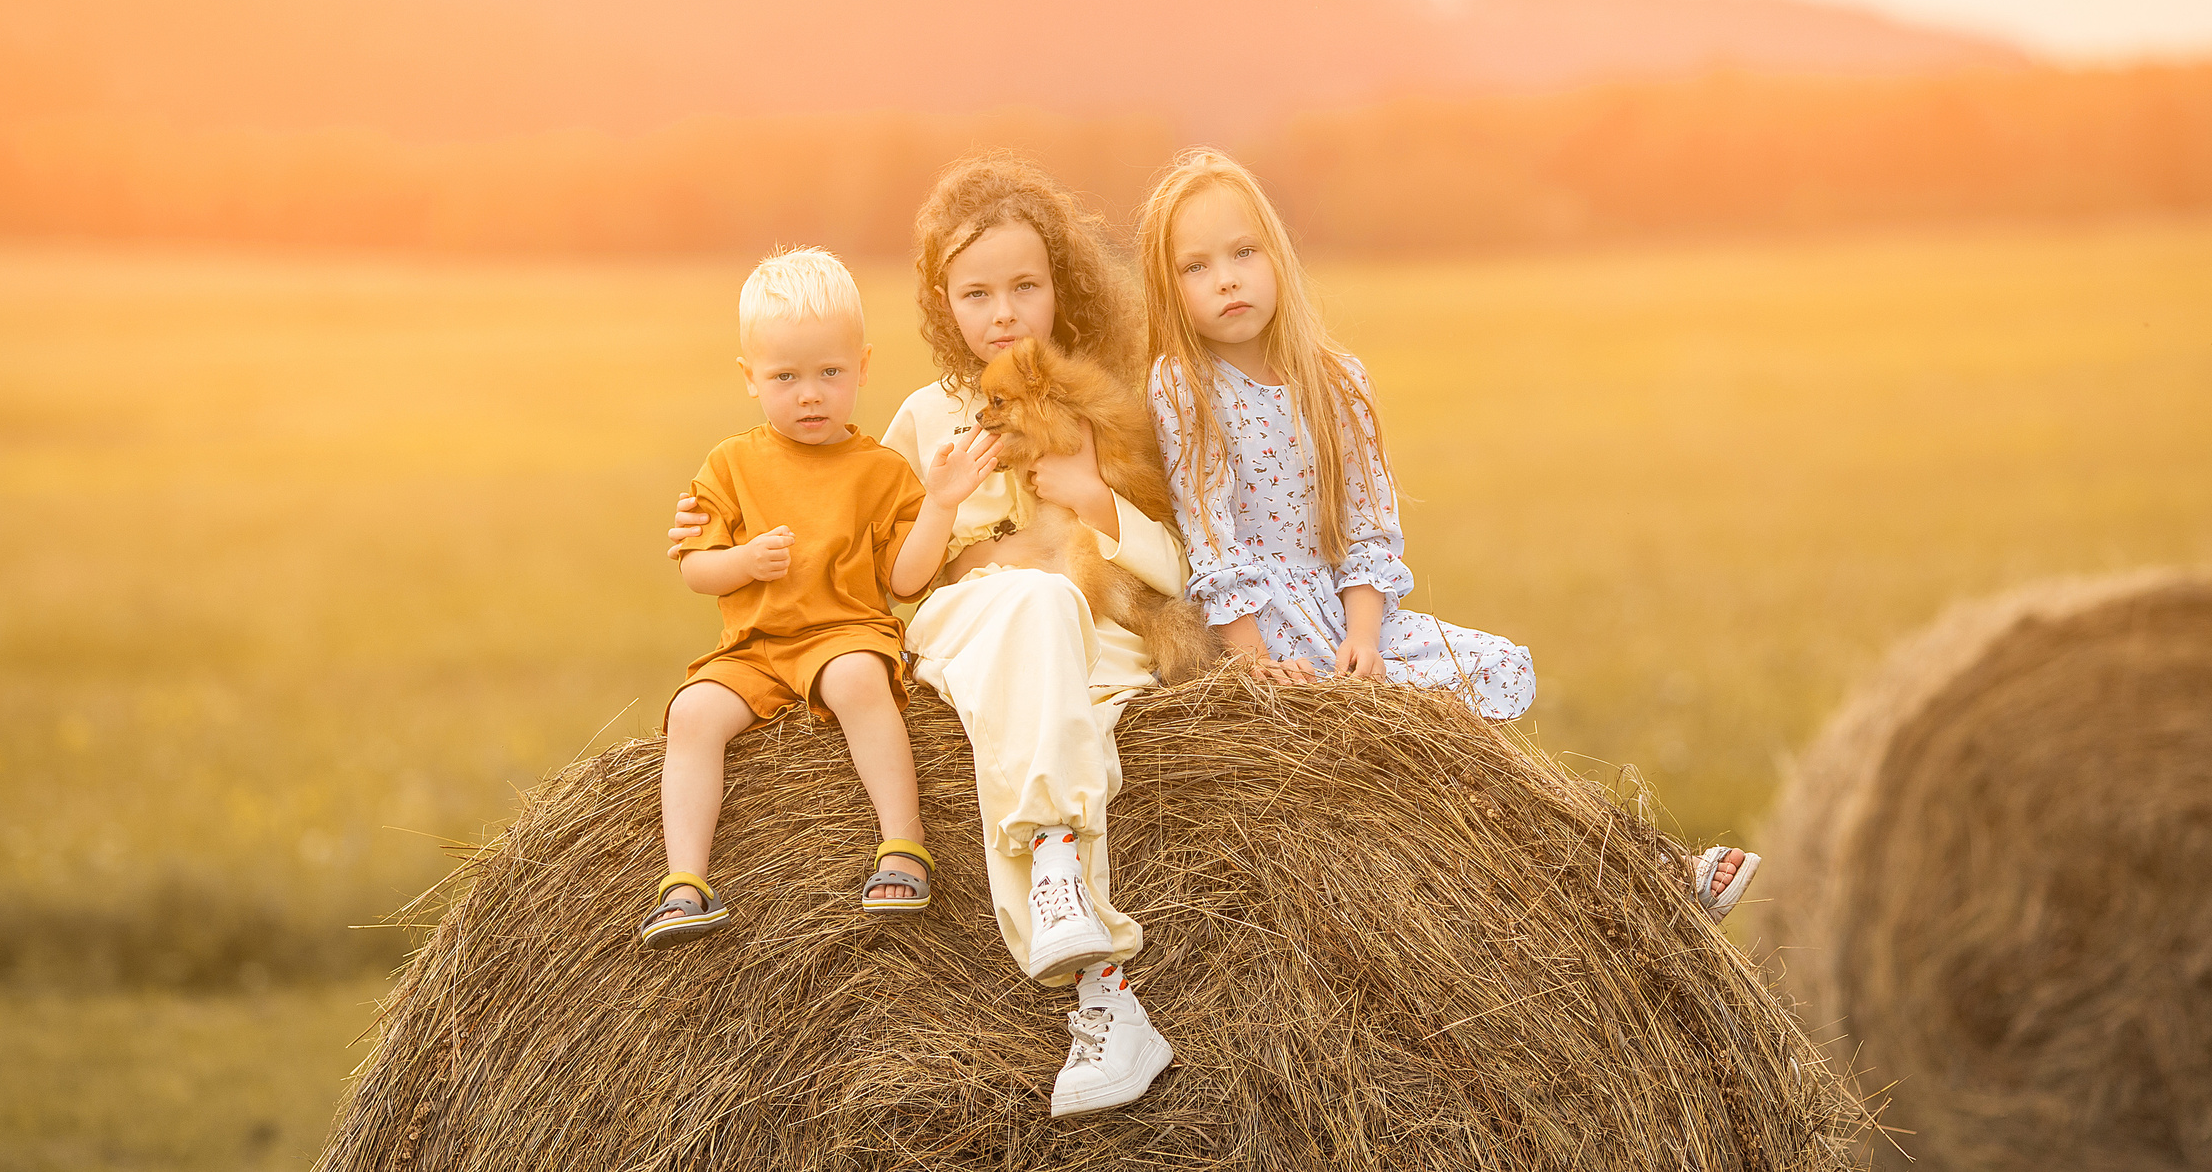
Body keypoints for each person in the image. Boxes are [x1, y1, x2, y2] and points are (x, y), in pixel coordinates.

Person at [668, 158, 1186, 1117]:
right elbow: (882, 568)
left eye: (1024, 286)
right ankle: (1064, 875)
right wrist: (730, 543)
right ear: (944, 303)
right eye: (977, 291)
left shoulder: (1100, 401)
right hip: (968, 616)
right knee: (1026, 615)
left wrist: (1093, 497)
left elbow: (1173, 560)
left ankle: (1105, 1000)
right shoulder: (921, 417)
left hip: (1091, 624)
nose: (1003, 311)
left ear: (1058, 289)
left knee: (1050, 687)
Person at [1135, 150, 1758, 918]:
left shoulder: (1338, 382)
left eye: (1242, 252)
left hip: (1345, 618)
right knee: (1414, 774)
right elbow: (1213, 541)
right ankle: (1630, 879)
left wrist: (1365, 635)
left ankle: (1645, 869)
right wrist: (1254, 662)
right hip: (1260, 637)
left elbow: (1365, 531)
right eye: (1197, 267)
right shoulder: (1184, 387)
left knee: (1472, 736)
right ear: (1171, 289)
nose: (1226, 278)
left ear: (1278, 257)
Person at [638, 248, 996, 950]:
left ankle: (903, 842)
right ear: (750, 378)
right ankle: (685, 881)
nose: (810, 393)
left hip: (844, 634)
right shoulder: (730, 463)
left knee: (860, 679)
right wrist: (741, 559)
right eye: (786, 377)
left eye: (830, 373)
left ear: (862, 367)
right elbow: (696, 570)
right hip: (755, 649)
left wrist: (942, 506)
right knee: (691, 712)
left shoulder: (881, 472)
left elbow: (905, 580)